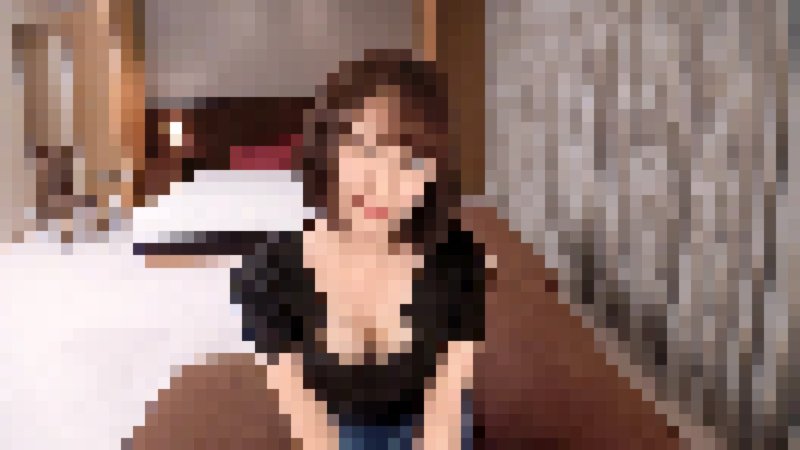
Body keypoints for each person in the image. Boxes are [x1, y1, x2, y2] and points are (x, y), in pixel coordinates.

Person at [129, 49, 683, 450]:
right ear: (327, 151)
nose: (384, 183)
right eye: (364, 148)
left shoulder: (456, 262)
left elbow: (446, 402)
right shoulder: (270, 274)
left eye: (411, 160)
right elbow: (306, 421)